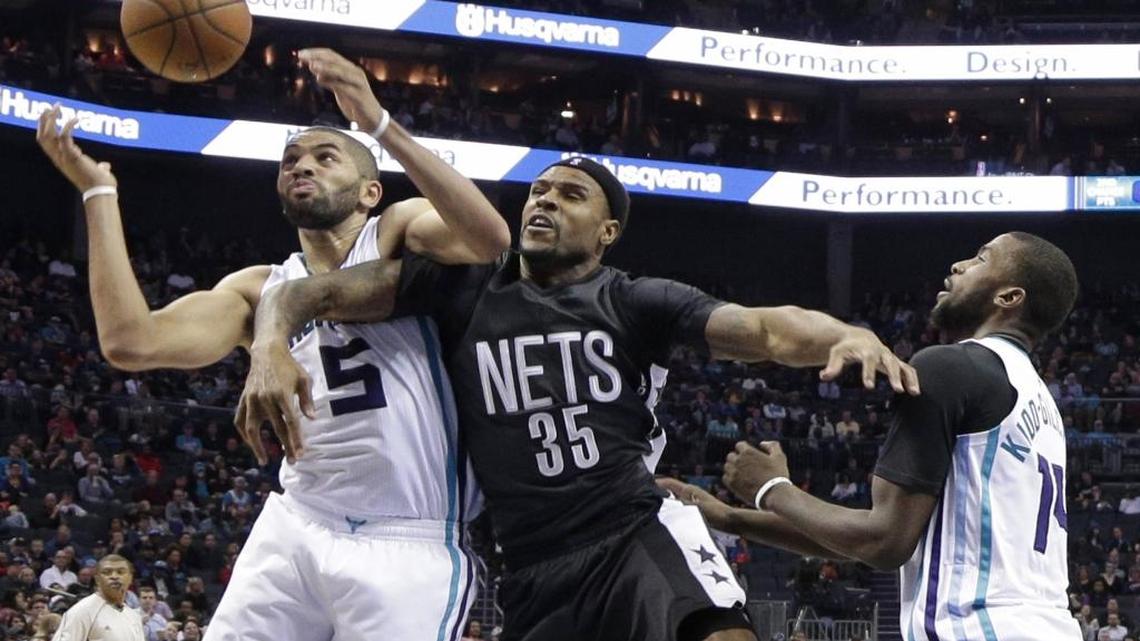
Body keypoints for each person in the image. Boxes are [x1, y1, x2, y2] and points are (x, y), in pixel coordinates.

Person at [239, 156, 919, 641]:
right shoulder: (462, 287)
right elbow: (310, 292)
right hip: (531, 565)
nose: (544, 202)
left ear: (607, 232)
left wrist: (848, 332)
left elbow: (767, 326)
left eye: (570, 195)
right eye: (538, 190)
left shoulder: (632, 300)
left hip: (630, 531)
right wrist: (269, 340)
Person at [35, 46, 510, 641]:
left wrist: (379, 124)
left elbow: (489, 239)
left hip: (407, 535)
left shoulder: (395, 231)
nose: (300, 165)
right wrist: (97, 194)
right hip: (297, 522)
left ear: (369, 192)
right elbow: (131, 342)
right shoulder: (258, 288)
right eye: (290, 160)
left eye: (324, 156)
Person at [661, 233, 1082, 640]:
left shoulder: (950, 367)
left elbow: (883, 542)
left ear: (1008, 297)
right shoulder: (1040, 403)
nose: (960, 265)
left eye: (981, 258)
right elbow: (874, 538)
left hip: (977, 629)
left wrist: (770, 488)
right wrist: (732, 518)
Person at [51, 554, 143, 641]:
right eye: (107, 572)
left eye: (120, 572)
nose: (114, 576)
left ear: (130, 578)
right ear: (97, 579)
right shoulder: (82, 611)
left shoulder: (133, 616)